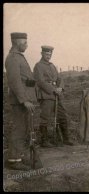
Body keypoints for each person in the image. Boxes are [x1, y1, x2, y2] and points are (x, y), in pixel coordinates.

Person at [4, 32, 39, 170]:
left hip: (25, 99)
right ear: (17, 42)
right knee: (18, 129)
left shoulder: (18, 57)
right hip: (20, 101)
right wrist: (24, 100)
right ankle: (13, 160)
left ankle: (19, 156)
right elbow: (15, 82)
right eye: (24, 42)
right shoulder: (12, 58)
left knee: (25, 129)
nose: (27, 45)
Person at [33, 45, 74, 147]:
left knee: (62, 116)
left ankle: (65, 139)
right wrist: (53, 90)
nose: (48, 56)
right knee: (45, 118)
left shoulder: (52, 66)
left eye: (50, 54)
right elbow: (40, 82)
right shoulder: (38, 66)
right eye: (47, 54)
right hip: (46, 95)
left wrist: (60, 88)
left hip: (57, 95)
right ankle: (44, 141)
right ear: (42, 53)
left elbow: (59, 78)